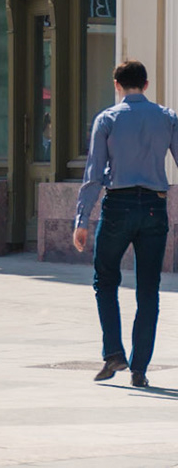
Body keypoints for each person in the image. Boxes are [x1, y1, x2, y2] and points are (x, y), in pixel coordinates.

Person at [74, 59, 178, 387]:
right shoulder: (168, 118)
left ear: (117, 85)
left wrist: (82, 219)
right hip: (154, 207)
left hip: (117, 206)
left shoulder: (107, 119)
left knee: (105, 280)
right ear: (146, 85)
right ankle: (140, 369)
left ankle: (114, 353)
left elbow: (94, 173)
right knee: (149, 289)